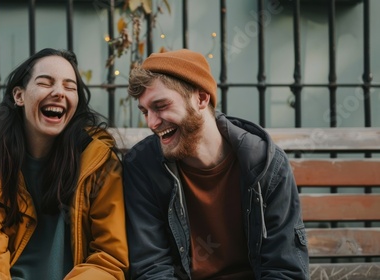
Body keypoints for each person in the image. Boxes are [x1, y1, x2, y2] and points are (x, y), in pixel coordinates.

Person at [123, 49, 309, 279]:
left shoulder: (266, 165)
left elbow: (285, 269)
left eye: (161, 106)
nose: (151, 123)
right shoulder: (142, 167)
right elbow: (152, 267)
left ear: (201, 98)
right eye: (145, 111)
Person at [0, 48, 128, 280]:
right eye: (46, 83)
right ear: (19, 96)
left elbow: (108, 258)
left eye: (70, 87)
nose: (59, 92)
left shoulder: (100, 162)